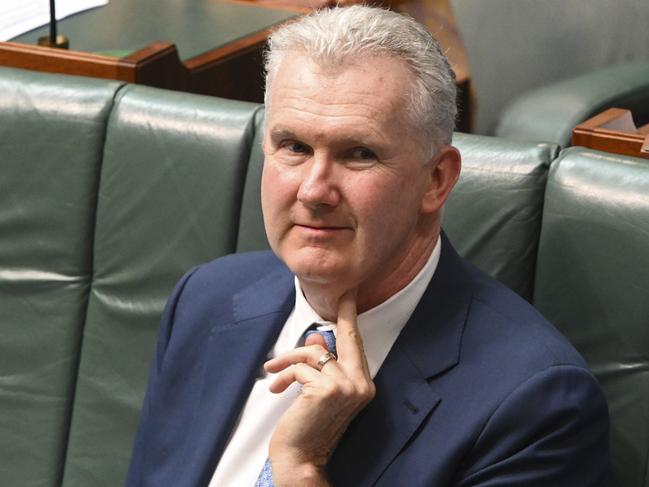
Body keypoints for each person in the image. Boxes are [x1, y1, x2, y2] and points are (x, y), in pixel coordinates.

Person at [126, 6, 609, 487]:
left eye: (359, 154)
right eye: (293, 146)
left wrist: (300, 466)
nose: (314, 191)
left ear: (436, 180)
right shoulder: (204, 301)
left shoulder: (534, 405)